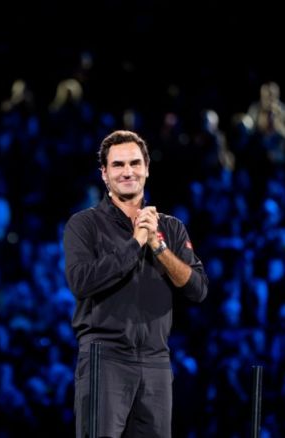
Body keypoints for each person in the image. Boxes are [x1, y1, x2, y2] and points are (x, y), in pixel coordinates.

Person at [63, 130, 208, 437]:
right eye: (118, 165)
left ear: (147, 168)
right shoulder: (84, 225)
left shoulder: (171, 228)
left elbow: (197, 289)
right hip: (105, 359)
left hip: (156, 362)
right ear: (104, 174)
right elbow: (81, 282)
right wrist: (135, 242)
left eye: (134, 163)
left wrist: (158, 246)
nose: (127, 172)